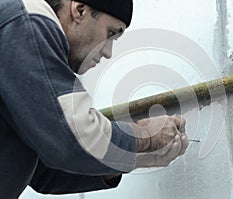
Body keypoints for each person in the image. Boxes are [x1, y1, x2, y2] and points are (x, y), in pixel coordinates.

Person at [0, 0, 189, 198]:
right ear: (79, 10)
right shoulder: (26, 21)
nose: (108, 52)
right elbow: (71, 138)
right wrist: (146, 136)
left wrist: (140, 158)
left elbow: (45, 173)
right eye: (111, 34)